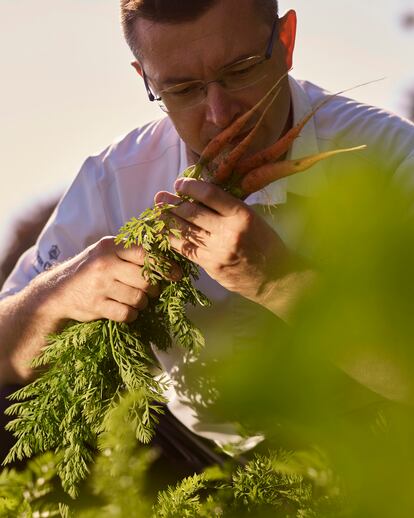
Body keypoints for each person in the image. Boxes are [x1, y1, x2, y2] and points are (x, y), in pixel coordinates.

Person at [0, 0, 413, 456]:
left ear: (287, 41)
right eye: (183, 89)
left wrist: (279, 282)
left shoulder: (391, 158)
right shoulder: (113, 179)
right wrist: (55, 297)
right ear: (146, 79)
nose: (219, 113)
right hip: (186, 452)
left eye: (240, 71)